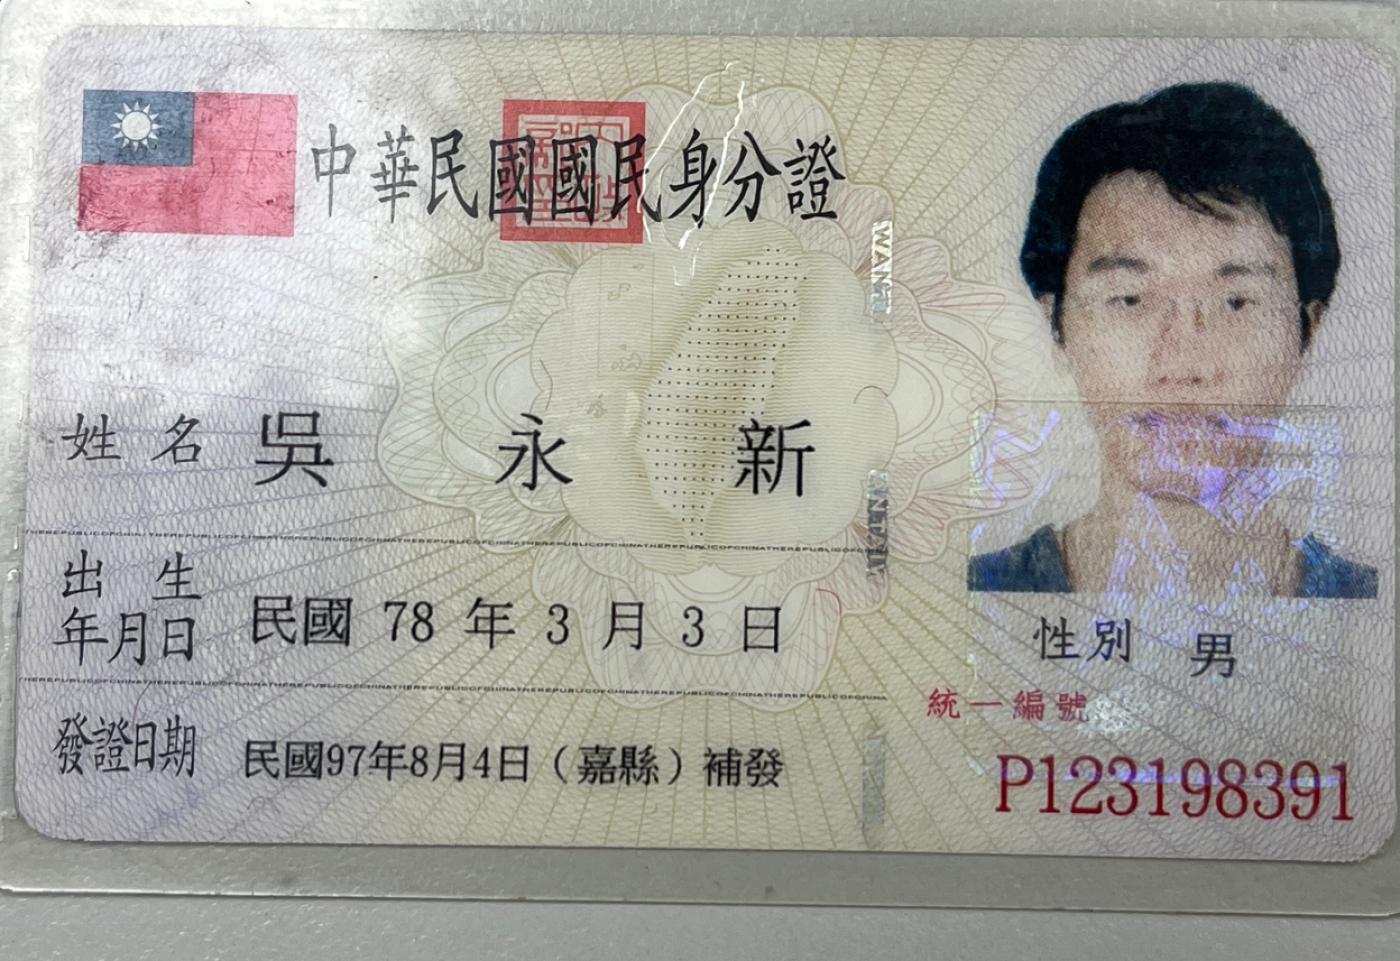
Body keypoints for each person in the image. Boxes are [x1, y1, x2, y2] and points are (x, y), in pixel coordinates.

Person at [968, 81, 1377, 598]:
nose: (1183, 363)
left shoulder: (1369, 611)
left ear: (1308, 330)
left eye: (1236, 302)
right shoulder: (983, 595)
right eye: (1129, 299)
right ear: (1057, 327)